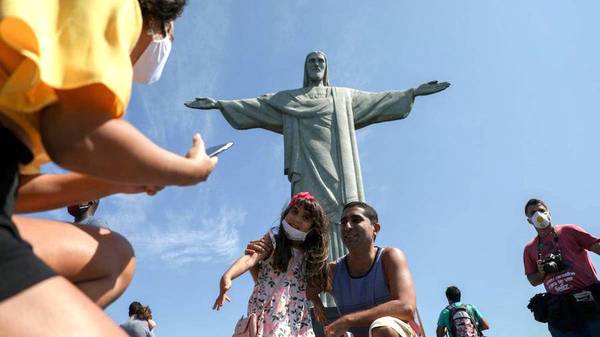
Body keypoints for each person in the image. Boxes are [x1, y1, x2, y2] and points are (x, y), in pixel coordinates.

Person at [0, 1, 218, 336]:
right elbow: (76, 133)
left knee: (116, 258)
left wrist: (110, 183)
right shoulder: (122, 7)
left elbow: (17, 194)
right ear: (159, 26)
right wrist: (186, 171)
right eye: (169, 33)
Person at [185, 51, 450, 261]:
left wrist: (411, 93)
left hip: (339, 169)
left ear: (326, 67)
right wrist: (221, 104)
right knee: (308, 218)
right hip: (307, 166)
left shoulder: (342, 97)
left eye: (320, 61)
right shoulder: (289, 99)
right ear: (305, 67)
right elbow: (258, 105)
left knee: (344, 217)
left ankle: (349, 272)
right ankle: (313, 279)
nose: (316, 64)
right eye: (311, 61)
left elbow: (377, 101)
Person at [248, 201, 422, 337]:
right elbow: (294, 290)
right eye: (343, 222)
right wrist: (259, 263)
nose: (347, 226)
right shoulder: (333, 271)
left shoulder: (389, 257)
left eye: (356, 220)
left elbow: (406, 307)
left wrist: (347, 320)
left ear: (375, 229)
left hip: (393, 332)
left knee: (382, 328)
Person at [213, 192, 330, 337]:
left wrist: (316, 300)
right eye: (294, 211)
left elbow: (302, 285)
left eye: (306, 217)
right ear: (286, 212)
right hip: (269, 312)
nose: (297, 219)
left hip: (297, 319)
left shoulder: (309, 254)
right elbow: (251, 258)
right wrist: (228, 276)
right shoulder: (274, 238)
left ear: (313, 227)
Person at [523, 198, 600, 336]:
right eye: (533, 213)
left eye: (541, 210)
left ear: (549, 213)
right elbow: (533, 280)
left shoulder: (569, 231)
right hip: (560, 312)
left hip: (590, 301)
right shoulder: (530, 248)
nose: (538, 215)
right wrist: (541, 273)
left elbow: (596, 247)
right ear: (529, 220)